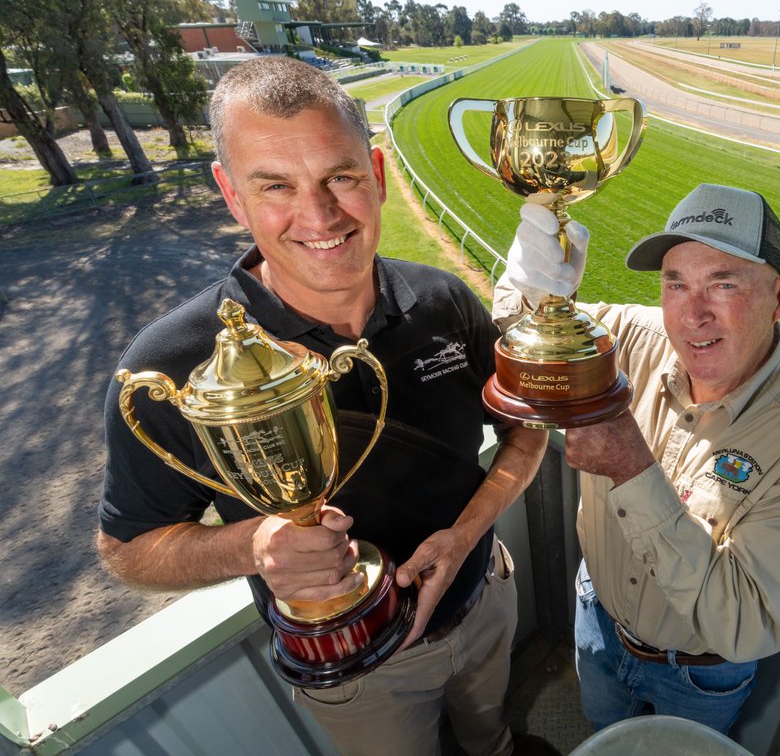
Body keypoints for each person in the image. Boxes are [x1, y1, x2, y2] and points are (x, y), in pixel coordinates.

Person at [96, 56, 551, 756]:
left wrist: (466, 537)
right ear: (231, 193)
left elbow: (526, 434)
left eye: (340, 177)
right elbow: (129, 551)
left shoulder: (444, 301)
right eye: (275, 185)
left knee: (492, 736)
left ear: (377, 173)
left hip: (484, 595)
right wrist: (253, 545)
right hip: (356, 666)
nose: (319, 216)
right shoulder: (171, 365)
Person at [494, 183, 780, 735]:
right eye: (676, 283)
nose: (693, 315)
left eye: (724, 284)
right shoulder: (628, 337)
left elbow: (744, 626)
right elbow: (523, 339)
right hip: (597, 621)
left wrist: (631, 469)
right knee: (601, 733)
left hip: (697, 678)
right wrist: (528, 284)